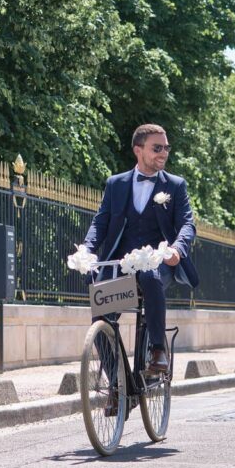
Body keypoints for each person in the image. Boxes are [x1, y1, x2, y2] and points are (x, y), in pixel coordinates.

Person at [82, 124, 199, 374]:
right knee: (99, 318)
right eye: (157, 148)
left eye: (166, 148)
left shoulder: (175, 186)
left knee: (149, 275)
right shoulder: (116, 184)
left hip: (158, 263)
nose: (163, 153)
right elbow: (100, 221)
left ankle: (158, 350)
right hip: (120, 265)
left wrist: (177, 249)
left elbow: (187, 223)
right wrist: (87, 250)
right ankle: (116, 382)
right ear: (138, 150)